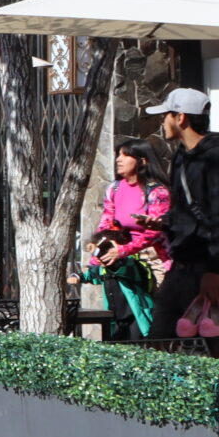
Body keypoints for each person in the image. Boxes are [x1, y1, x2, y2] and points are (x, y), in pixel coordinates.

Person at [146, 88, 219, 344]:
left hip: (212, 268)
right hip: (181, 266)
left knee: (214, 348)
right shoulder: (181, 156)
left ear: (181, 118)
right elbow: (185, 211)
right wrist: (165, 223)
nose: (162, 122)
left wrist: (213, 271)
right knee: (158, 343)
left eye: (165, 115)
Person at [89, 139, 172, 344]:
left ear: (142, 161)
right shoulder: (115, 189)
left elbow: (154, 233)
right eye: (118, 154)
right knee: (127, 311)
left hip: (155, 257)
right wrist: (98, 252)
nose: (119, 159)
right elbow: (107, 223)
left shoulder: (157, 192)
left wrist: (124, 250)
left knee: (158, 311)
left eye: (125, 155)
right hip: (124, 256)